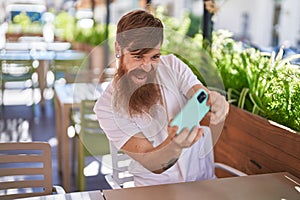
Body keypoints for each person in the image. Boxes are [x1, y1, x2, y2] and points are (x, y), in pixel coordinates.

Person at [94, 9, 229, 187]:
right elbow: (151, 162)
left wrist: (215, 101)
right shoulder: (106, 107)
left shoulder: (172, 64)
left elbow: (200, 94)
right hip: (155, 189)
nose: (147, 66)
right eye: (138, 56)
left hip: (201, 180)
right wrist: (174, 145)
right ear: (118, 48)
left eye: (154, 57)